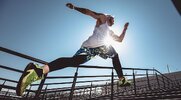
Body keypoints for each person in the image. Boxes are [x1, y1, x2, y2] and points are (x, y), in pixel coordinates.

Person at [16, 3, 131, 96]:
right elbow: (89, 12)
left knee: (73, 62)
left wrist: (125, 29)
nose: (114, 22)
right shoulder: (103, 18)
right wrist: (75, 8)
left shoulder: (109, 32)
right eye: (113, 19)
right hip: (94, 46)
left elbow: (120, 39)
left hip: (94, 49)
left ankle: (37, 71)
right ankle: (121, 79)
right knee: (113, 54)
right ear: (109, 17)